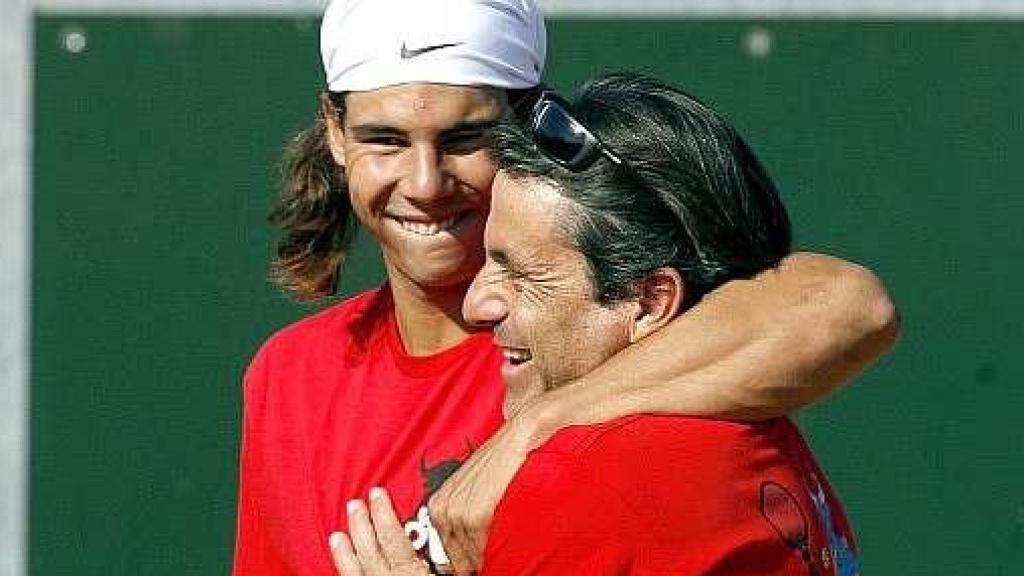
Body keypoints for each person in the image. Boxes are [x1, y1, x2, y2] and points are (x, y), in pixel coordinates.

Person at [232, 1, 898, 574]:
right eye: (385, 139)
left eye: (466, 138)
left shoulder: (606, 340)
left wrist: (539, 427)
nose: (425, 183)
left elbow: (848, 304)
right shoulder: (287, 378)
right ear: (335, 132)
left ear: (528, 121)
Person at [330, 73, 860, 576]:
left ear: (651, 302)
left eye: (522, 272)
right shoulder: (765, 430)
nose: (477, 303)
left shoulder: (581, 482)